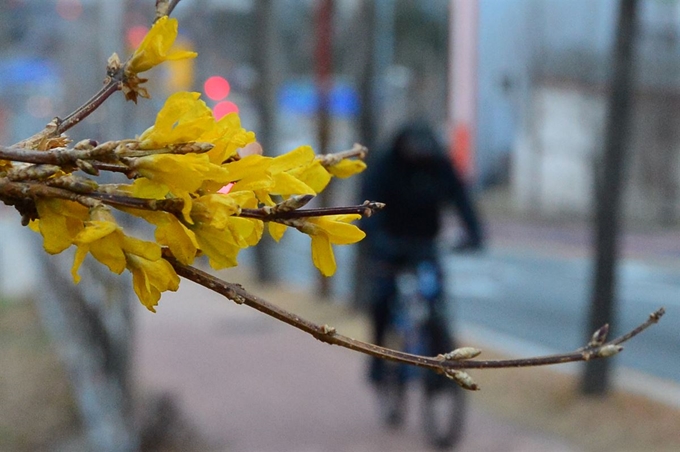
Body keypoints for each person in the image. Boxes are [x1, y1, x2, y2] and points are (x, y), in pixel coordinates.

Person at [360, 121, 484, 385]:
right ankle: (378, 359)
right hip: (390, 242)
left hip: (425, 242)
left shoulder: (440, 165)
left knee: (436, 298)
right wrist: (377, 239)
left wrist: (474, 234)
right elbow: (366, 205)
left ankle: (439, 366)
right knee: (382, 299)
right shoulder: (385, 165)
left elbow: (461, 199)